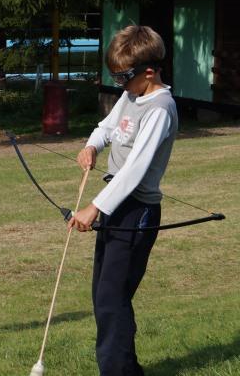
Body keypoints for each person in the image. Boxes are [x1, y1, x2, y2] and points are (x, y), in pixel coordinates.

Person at [69, 25, 177, 376]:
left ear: (149, 71)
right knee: (105, 296)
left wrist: (94, 208)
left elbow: (134, 171)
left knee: (112, 298)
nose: (119, 85)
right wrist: (91, 146)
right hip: (116, 206)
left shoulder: (160, 109)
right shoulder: (132, 96)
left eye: (122, 78)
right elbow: (106, 128)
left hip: (137, 212)